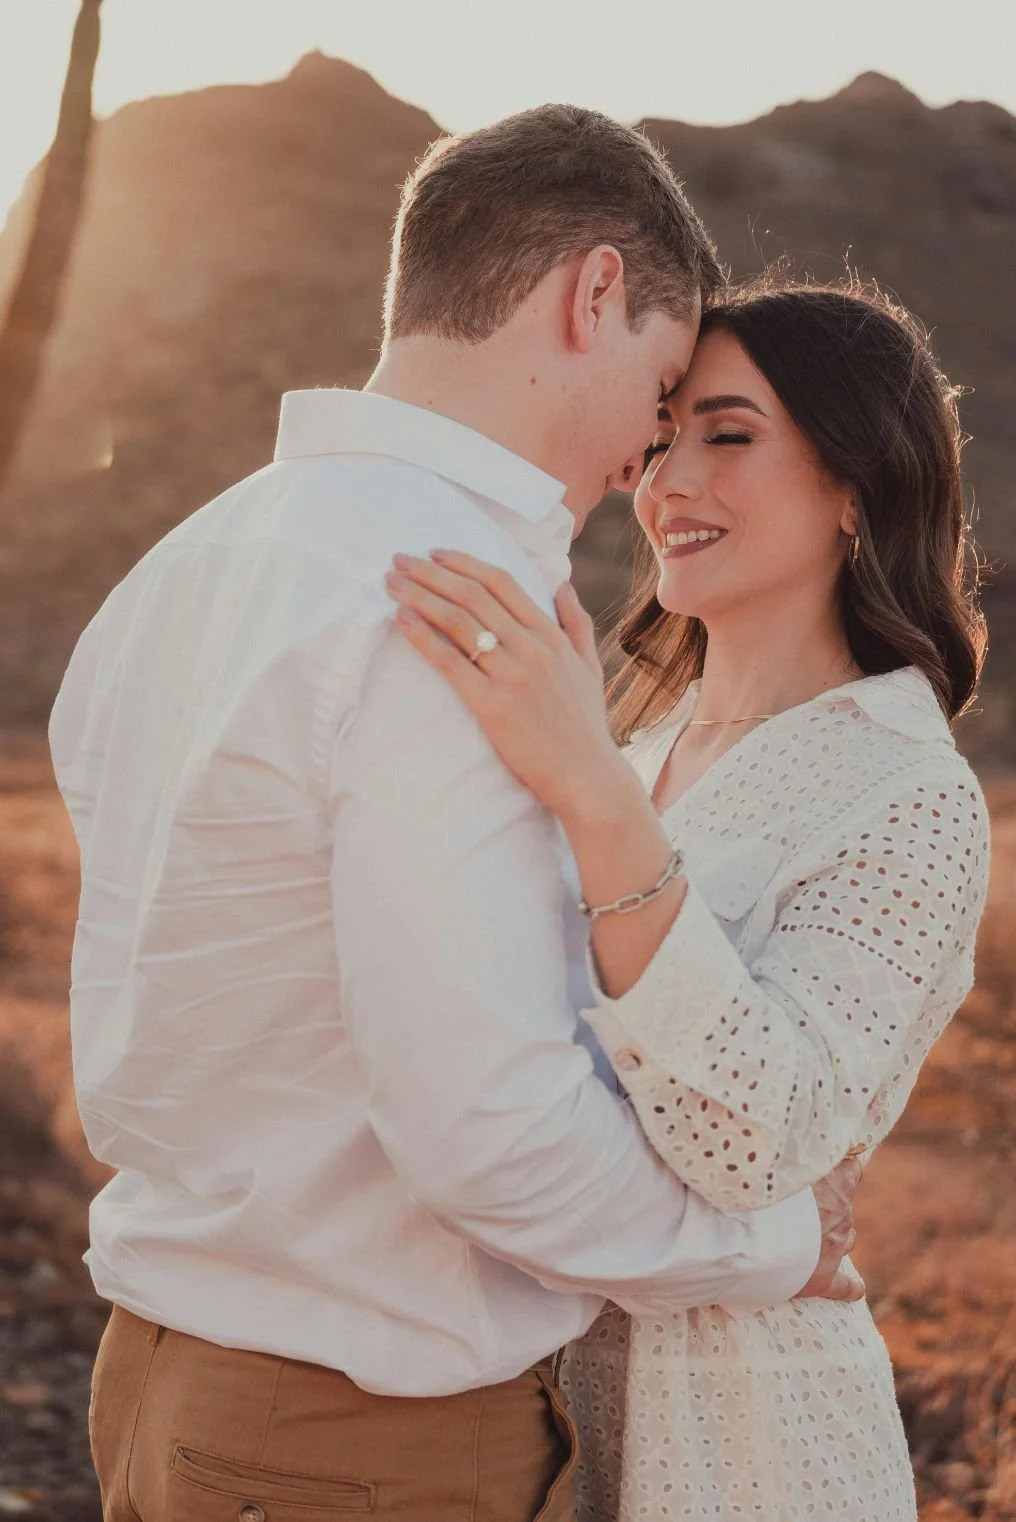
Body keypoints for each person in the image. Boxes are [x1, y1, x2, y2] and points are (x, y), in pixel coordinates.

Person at [49, 110, 861, 1522]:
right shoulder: (457, 611)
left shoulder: (190, 562)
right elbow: (493, 1136)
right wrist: (774, 1245)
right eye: (661, 385)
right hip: (357, 1444)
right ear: (592, 292)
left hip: (160, 1385)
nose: (649, 454)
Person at [384, 281, 990, 1522]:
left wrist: (590, 796)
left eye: (727, 434)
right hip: (524, 1410)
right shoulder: (635, 742)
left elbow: (759, 1144)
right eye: (660, 437)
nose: (666, 482)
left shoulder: (905, 789)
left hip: (744, 1439)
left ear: (856, 487)